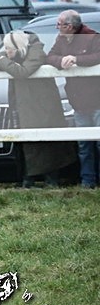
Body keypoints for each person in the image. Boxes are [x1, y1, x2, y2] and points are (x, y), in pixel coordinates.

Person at [0, 31, 78, 188]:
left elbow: (23, 72)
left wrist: (4, 62)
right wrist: (5, 61)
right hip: (24, 105)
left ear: (19, 46)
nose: (7, 52)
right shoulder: (16, 54)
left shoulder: (37, 52)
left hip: (43, 105)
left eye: (9, 49)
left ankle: (50, 180)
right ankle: (28, 180)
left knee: (48, 144)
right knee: (27, 144)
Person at [46, 10, 100, 188]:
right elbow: (50, 56)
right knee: (84, 145)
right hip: (78, 101)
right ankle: (87, 181)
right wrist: (61, 61)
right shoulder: (61, 39)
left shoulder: (93, 37)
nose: (57, 28)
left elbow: (98, 56)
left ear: (69, 26)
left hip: (97, 99)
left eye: (59, 24)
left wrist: (76, 59)